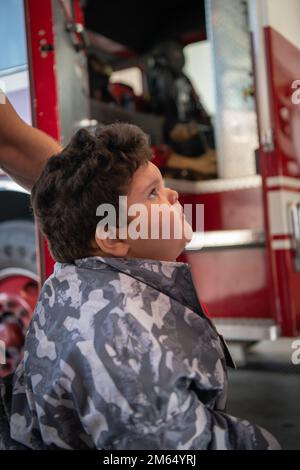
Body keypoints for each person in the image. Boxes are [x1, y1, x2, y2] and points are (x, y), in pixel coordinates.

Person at [0, 94, 280, 450]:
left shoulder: (78, 283)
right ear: (113, 235)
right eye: (152, 194)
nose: (174, 195)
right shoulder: (124, 339)